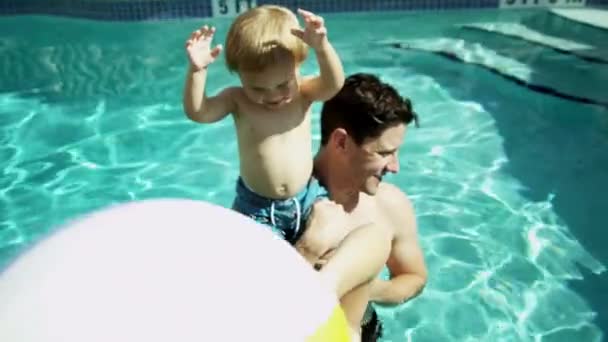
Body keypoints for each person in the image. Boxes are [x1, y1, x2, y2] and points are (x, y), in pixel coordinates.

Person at [182, 5, 344, 245]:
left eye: (282, 84)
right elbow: (199, 112)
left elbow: (334, 84)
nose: (272, 96)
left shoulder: (303, 92)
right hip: (257, 209)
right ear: (239, 76)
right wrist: (197, 71)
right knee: (261, 263)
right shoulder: (236, 100)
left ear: (297, 66)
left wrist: (322, 48)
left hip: (308, 198)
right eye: (257, 88)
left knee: (336, 232)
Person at [296, 73, 428, 341]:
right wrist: (306, 252)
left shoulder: (390, 205)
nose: (394, 167)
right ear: (341, 142)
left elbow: (413, 277)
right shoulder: (287, 205)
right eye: (383, 153)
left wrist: (364, 285)